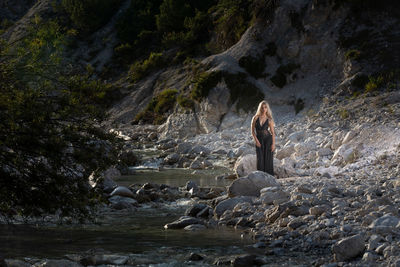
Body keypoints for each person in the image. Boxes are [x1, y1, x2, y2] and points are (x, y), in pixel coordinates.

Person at [251, 100, 275, 176]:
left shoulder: (269, 119)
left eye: (265, 107)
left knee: (268, 159)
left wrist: (273, 144)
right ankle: (260, 176)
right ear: (260, 108)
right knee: (260, 159)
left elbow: (273, 133)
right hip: (259, 140)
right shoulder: (255, 118)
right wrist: (256, 140)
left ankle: (269, 177)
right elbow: (252, 131)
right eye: (262, 107)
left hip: (268, 140)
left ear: (267, 109)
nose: (264, 109)